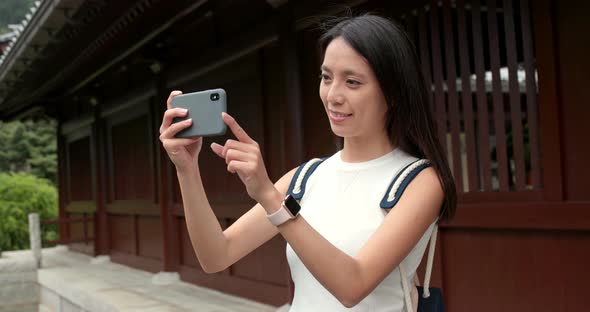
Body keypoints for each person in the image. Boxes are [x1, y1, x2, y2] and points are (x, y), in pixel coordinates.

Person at [159, 14, 456, 312]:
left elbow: (353, 286)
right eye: (327, 78)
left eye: (352, 82)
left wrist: (271, 199)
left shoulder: (420, 181)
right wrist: (187, 169)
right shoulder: (306, 177)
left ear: (392, 92)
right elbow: (216, 256)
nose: (333, 95)